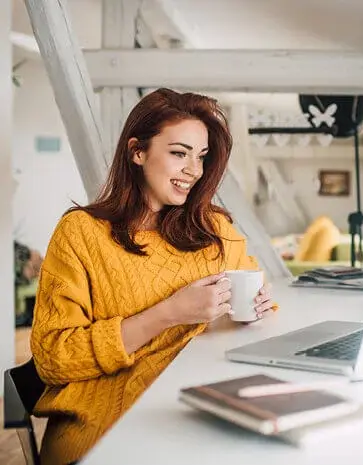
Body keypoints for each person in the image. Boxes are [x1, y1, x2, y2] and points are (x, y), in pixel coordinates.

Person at [30, 88, 277, 465]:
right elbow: (53, 358)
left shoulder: (214, 228)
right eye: (179, 153)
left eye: (201, 157)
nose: (194, 170)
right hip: (110, 425)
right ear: (137, 152)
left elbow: (257, 296)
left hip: (197, 404)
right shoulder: (81, 233)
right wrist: (169, 313)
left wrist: (257, 304)